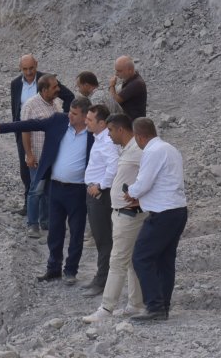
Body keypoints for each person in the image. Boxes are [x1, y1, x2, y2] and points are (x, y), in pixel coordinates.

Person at [0, 97, 95, 285]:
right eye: (70, 111)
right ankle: (53, 269)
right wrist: (1, 127)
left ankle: (71, 271)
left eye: (75, 114)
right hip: (55, 187)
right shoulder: (59, 121)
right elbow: (31, 124)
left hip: (78, 191)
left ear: (85, 116)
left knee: (76, 232)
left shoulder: (94, 134)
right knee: (54, 230)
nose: (70, 115)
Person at [81, 114, 147, 323]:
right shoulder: (126, 150)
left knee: (117, 261)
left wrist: (141, 199)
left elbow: (151, 176)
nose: (108, 135)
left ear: (120, 130)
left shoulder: (138, 151)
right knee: (129, 263)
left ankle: (106, 308)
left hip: (130, 215)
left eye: (110, 130)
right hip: (121, 212)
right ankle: (135, 304)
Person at [124, 117, 186, 322]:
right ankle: (163, 306)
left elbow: (143, 184)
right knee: (164, 260)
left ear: (139, 136)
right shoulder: (170, 148)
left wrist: (131, 192)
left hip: (163, 212)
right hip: (177, 210)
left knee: (141, 257)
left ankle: (154, 306)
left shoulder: (151, 151)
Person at [9, 55, 75, 213]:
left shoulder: (47, 81)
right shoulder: (15, 84)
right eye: (25, 69)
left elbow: (69, 96)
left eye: (31, 68)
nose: (29, 72)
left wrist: (62, 119)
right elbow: (15, 107)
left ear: (36, 65)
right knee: (26, 167)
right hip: (25, 130)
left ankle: (46, 210)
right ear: (20, 68)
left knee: (47, 168)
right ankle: (29, 205)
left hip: (46, 133)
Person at [80, 104, 118, 296]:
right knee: (101, 238)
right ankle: (102, 277)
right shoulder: (99, 138)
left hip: (100, 195)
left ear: (101, 123)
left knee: (103, 239)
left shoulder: (108, 142)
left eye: (89, 120)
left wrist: (101, 186)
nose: (85, 122)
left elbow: (114, 166)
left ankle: (102, 280)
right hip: (94, 192)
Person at [19, 75, 63, 236]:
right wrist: (29, 155)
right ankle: (33, 224)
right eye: (54, 87)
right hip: (37, 157)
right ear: (44, 90)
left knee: (49, 191)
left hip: (54, 157)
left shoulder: (57, 104)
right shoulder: (30, 106)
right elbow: (25, 131)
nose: (58, 89)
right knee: (36, 190)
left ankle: (46, 221)